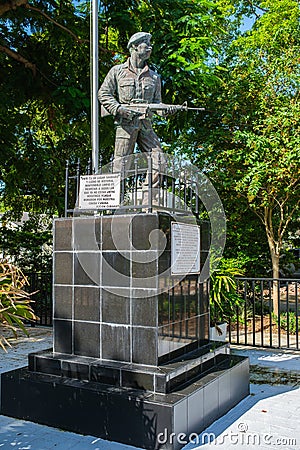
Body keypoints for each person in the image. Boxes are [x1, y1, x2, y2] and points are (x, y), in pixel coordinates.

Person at [98, 31, 168, 175]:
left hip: (145, 125)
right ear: (135, 46)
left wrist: (166, 110)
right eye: (146, 44)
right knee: (121, 167)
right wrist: (118, 109)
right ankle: (116, 197)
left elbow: (157, 104)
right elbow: (103, 93)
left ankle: (150, 196)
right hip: (125, 125)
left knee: (160, 161)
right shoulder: (117, 71)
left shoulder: (154, 77)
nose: (150, 47)